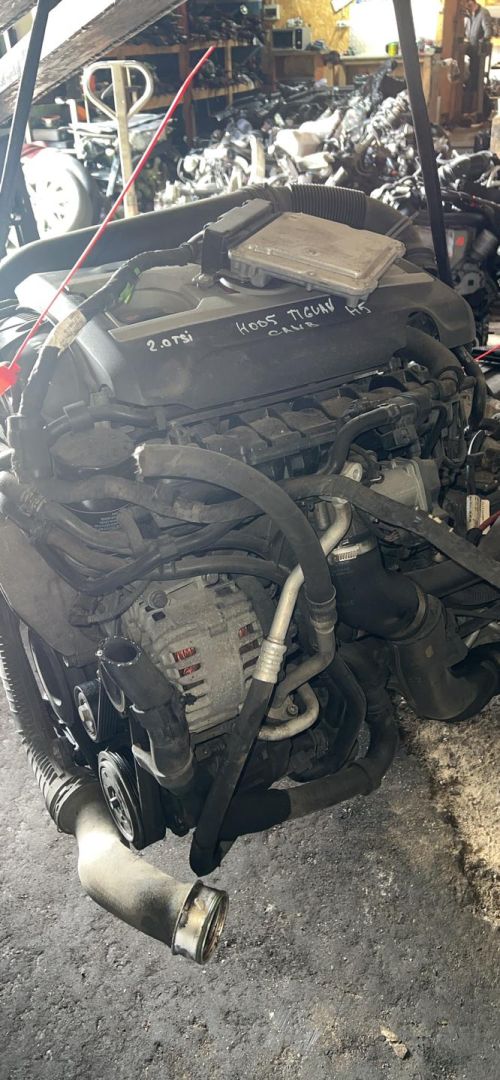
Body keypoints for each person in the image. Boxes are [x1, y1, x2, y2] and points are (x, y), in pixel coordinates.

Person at [464, 1, 493, 115]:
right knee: (471, 81)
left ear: (471, 2)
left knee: (475, 82)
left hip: (479, 54)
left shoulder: (483, 13)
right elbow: (467, 33)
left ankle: (483, 108)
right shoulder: (469, 15)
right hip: (471, 52)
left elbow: (488, 32)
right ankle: (475, 109)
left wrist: (482, 41)